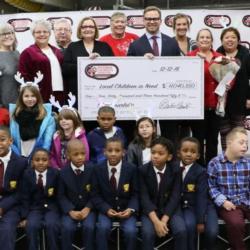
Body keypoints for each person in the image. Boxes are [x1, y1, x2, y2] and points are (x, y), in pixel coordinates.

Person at [127, 6, 180, 144]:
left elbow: (180, 70)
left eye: (155, 18)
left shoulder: (172, 43)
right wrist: (141, 62)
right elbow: (128, 72)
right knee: (146, 137)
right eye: (148, 19)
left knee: (170, 136)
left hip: (168, 97)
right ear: (143, 21)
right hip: (145, 98)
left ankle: (171, 163)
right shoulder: (135, 46)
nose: (152, 21)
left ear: (160, 21)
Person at [139, 136, 187, 250]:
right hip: (150, 211)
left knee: (181, 230)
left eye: (160, 153)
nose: (155, 156)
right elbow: (144, 197)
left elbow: (175, 196)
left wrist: (164, 220)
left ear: (169, 157)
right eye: (153, 152)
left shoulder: (175, 170)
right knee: (147, 233)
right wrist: (156, 222)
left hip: (170, 210)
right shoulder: (142, 170)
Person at [92, 137, 138, 250]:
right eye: (110, 150)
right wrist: (106, 209)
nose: (113, 154)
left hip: (126, 210)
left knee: (131, 231)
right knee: (102, 229)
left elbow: (136, 194)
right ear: (104, 152)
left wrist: (131, 209)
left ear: (123, 152)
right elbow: (95, 194)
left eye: (117, 151)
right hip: (106, 210)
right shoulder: (97, 169)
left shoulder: (131, 169)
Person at [207, 127, 250, 250]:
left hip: (246, 201)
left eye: (246, 143)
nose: (245, 146)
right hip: (228, 204)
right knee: (236, 223)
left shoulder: (248, 163)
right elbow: (212, 187)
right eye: (241, 142)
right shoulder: (215, 163)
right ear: (230, 143)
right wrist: (223, 201)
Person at [187, 28, 222, 165]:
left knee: (213, 140)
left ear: (212, 40)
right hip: (198, 107)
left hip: (216, 105)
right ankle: (199, 169)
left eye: (208, 37)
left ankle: (212, 167)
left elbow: (230, 76)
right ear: (197, 40)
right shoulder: (191, 57)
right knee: (198, 139)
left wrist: (228, 84)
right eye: (202, 37)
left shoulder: (219, 57)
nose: (205, 39)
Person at [178, 137, 218, 250]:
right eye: (185, 151)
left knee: (212, 232)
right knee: (189, 226)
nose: (189, 154)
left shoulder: (201, 171)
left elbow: (201, 197)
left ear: (198, 156)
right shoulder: (173, 168)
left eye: (193, 152)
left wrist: (200, 221)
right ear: (178, 153)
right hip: (188, 206)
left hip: (204, 205)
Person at [62, 17, 113, 101]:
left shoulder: (104, 46)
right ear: (80, 30)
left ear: (95, 29)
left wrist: (100, 61)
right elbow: (65, 69)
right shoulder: (72, 46)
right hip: (78, 92)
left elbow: (113, 67)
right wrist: (85, 63)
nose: (88, 29)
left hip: (101, 91)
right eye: (84, 27)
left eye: (91, 26)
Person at [58, 139, 95, 250]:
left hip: (88, 209)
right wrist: (70, 211)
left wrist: (88, 208)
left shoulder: (92, 169)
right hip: (70, 210)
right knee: (67, 228)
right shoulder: (62, 173)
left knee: (89, 227)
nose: (80, 157)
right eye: (76, 154)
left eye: (82, 154)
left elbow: (96, 192)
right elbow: (60, 195)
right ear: (68, 155)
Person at [19, 148, 60, 250]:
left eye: (44, 160)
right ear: (32, 161)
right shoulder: (27, 174)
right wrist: (24, 217)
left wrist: (60, 212)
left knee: (52, 225)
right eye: (37, 160)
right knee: (31, 226)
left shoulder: (55, 174)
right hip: (34, 208)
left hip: (51, 208)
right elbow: (25, 197)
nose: (41, 163)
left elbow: (59, 195)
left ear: (49, 161)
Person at [216, 27, 250, 150]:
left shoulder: (246, 55)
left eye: (233, 37)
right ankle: (226, 159)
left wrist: (249, 98)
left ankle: (238, 160)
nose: (230, 40)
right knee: (224, 133)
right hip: (222, 102)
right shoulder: (217, 55)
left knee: (239, 133)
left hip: (240, 101)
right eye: (227, 37)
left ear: (238, 40)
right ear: (221, 40)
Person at [18, 19, 65, 103]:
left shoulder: (58, 52)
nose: (42, 34)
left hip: (60, 94)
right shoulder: (27, 52)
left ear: (49, 33)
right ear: (33, 34)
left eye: (45, 31)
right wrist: (31, 95)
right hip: (40, 95)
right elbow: (24, 75)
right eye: (38, 32)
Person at [9, 84, 55, 159]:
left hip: (38, 157)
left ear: (38, 97)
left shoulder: (47, 117)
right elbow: (11, 138)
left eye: (33, 96)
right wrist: (16, 155)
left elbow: (47, 142)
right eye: (26, 96)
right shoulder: (14, 115)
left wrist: (40, 157)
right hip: (18, 155)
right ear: (21, 98)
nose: (30, 99)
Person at [0, 125, 27, 250]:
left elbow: (21, 192)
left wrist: (2, 207)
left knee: (6, 229)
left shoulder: (21, 163)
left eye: (2, 139)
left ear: (10, 141)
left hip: (11, 207)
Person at [50, 95, 89, 169]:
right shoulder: (56, 136)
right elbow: (52, 155)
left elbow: (85, 155)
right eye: (61, 119)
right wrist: (56, 167)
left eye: (67, 119)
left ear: (74, 120)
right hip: (59, 171)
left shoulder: (80, 136)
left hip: (75, 170)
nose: (63, 121)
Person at [0, 22, 19, 108]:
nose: (8, 36)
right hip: (4, 107)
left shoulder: (18, 54)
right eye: (3, 34)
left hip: (21, 105)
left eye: (11, 33)